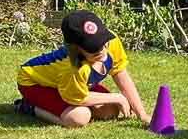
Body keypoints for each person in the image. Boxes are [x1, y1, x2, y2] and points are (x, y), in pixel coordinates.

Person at [15, 10, 150, 128]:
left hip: (67, 84)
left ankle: (60, 106)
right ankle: (29, 106)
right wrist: (117, 97)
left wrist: (142, 114)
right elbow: (74, 98)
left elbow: (121, 74)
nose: (102, 50)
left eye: (103, 42)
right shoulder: (74, 67)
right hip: (33, 82)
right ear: (76, 49)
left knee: (110, 111)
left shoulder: (112, 41)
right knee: (79, 117)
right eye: (93, 48)